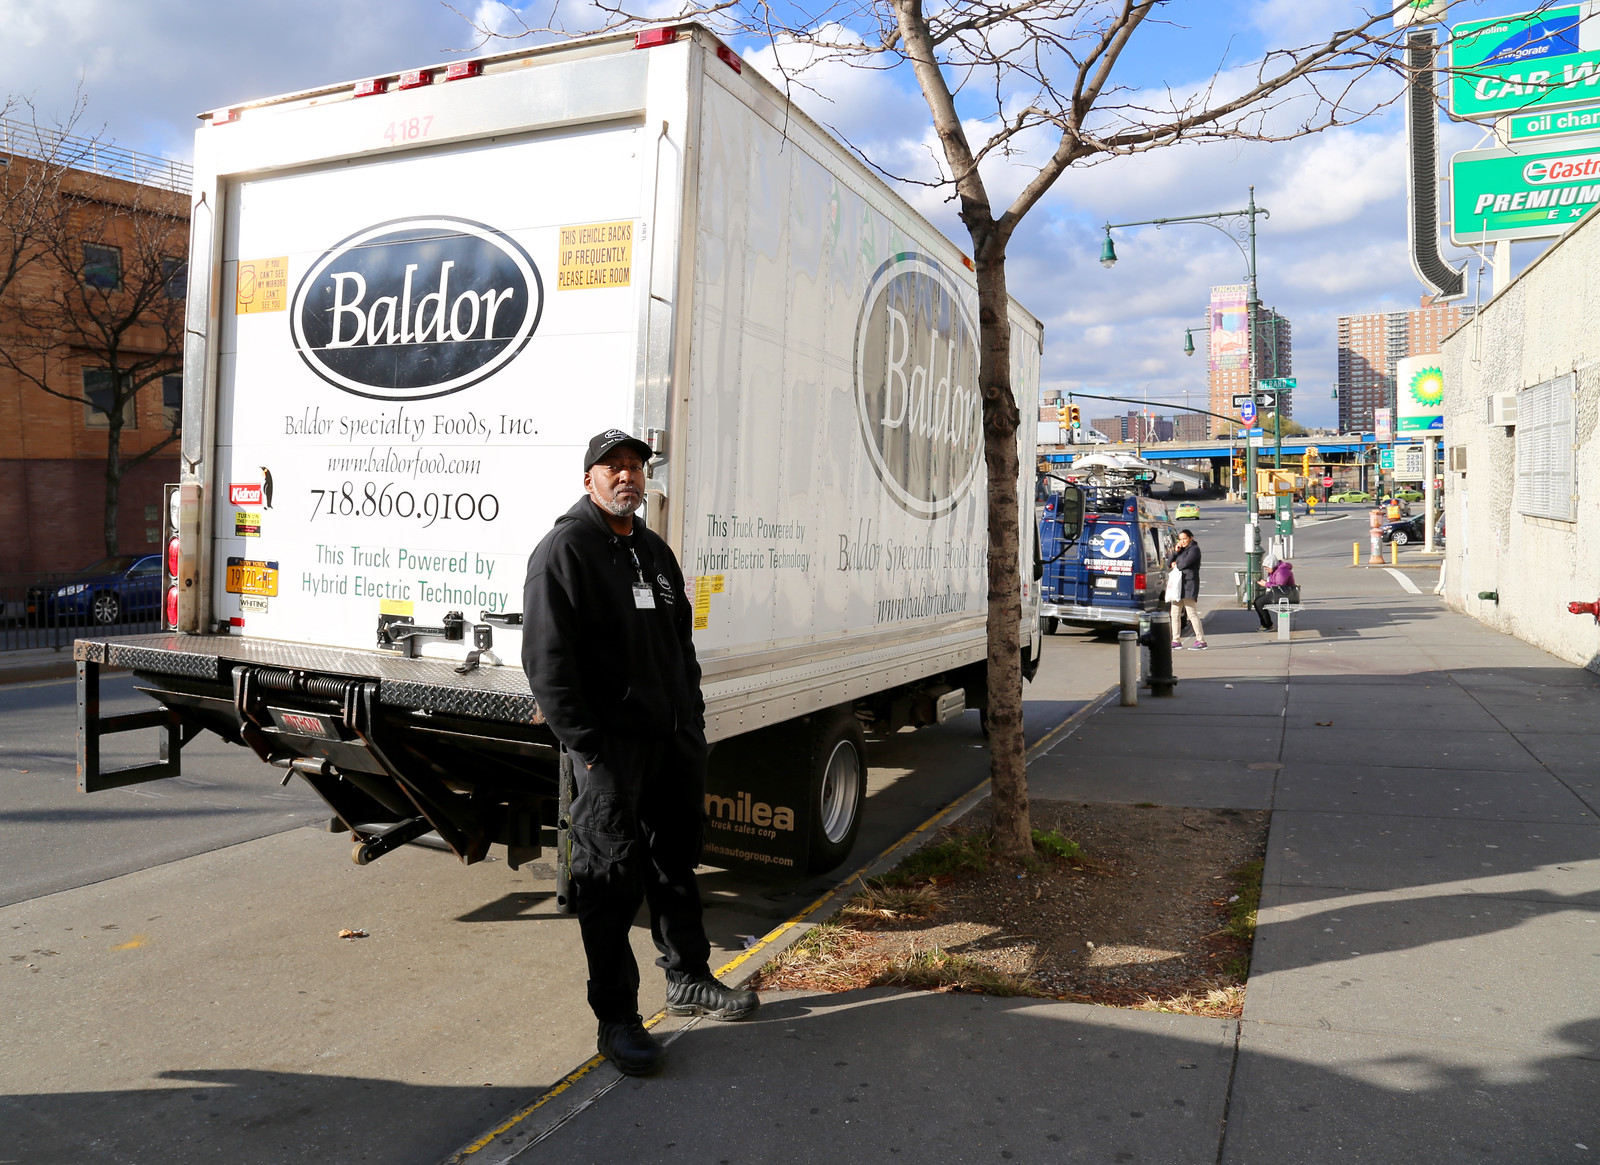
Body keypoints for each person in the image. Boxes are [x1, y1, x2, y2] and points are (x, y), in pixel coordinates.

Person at [522, 429, 757, 1078]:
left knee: (675, 865)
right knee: (610, 882)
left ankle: (688, 978)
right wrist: (590, 751)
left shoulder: (653, 551)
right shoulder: (565, 552)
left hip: (672, 743)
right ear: (589, 478)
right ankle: (618, 1021)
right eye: (613, 466)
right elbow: (547, 665)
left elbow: (680, 646)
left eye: (635, 465)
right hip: (610, 755)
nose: (627, 475)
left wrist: (692, 720)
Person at [1166, 528, 1206, 650]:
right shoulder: (1181, 550)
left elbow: (1184, 564)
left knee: (1191, 613)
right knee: (1174, 613)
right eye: (1180, 539)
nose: (1182, 541)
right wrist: (1175, 553)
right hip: (1178, 586)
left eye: (1185, 539)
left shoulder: (1194, 550)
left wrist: (1176, 563)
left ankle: (1201, 641)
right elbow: (1168, 563)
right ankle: (1175, 640)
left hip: (1189, 586)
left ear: (1191, 538)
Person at [1253, 553, 1298, 631]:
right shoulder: (1276, 570)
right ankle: (1266, 624)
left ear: (1271, 565)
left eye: (1267, 568)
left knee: (1259, 602)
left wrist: (1266, 584)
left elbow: (1279, 585)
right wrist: (1266, 582)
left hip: (1285, 595)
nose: (1266, 570)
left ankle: (1268, 625)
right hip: (1280, 593)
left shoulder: (1282, 571)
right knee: (1257, 601)